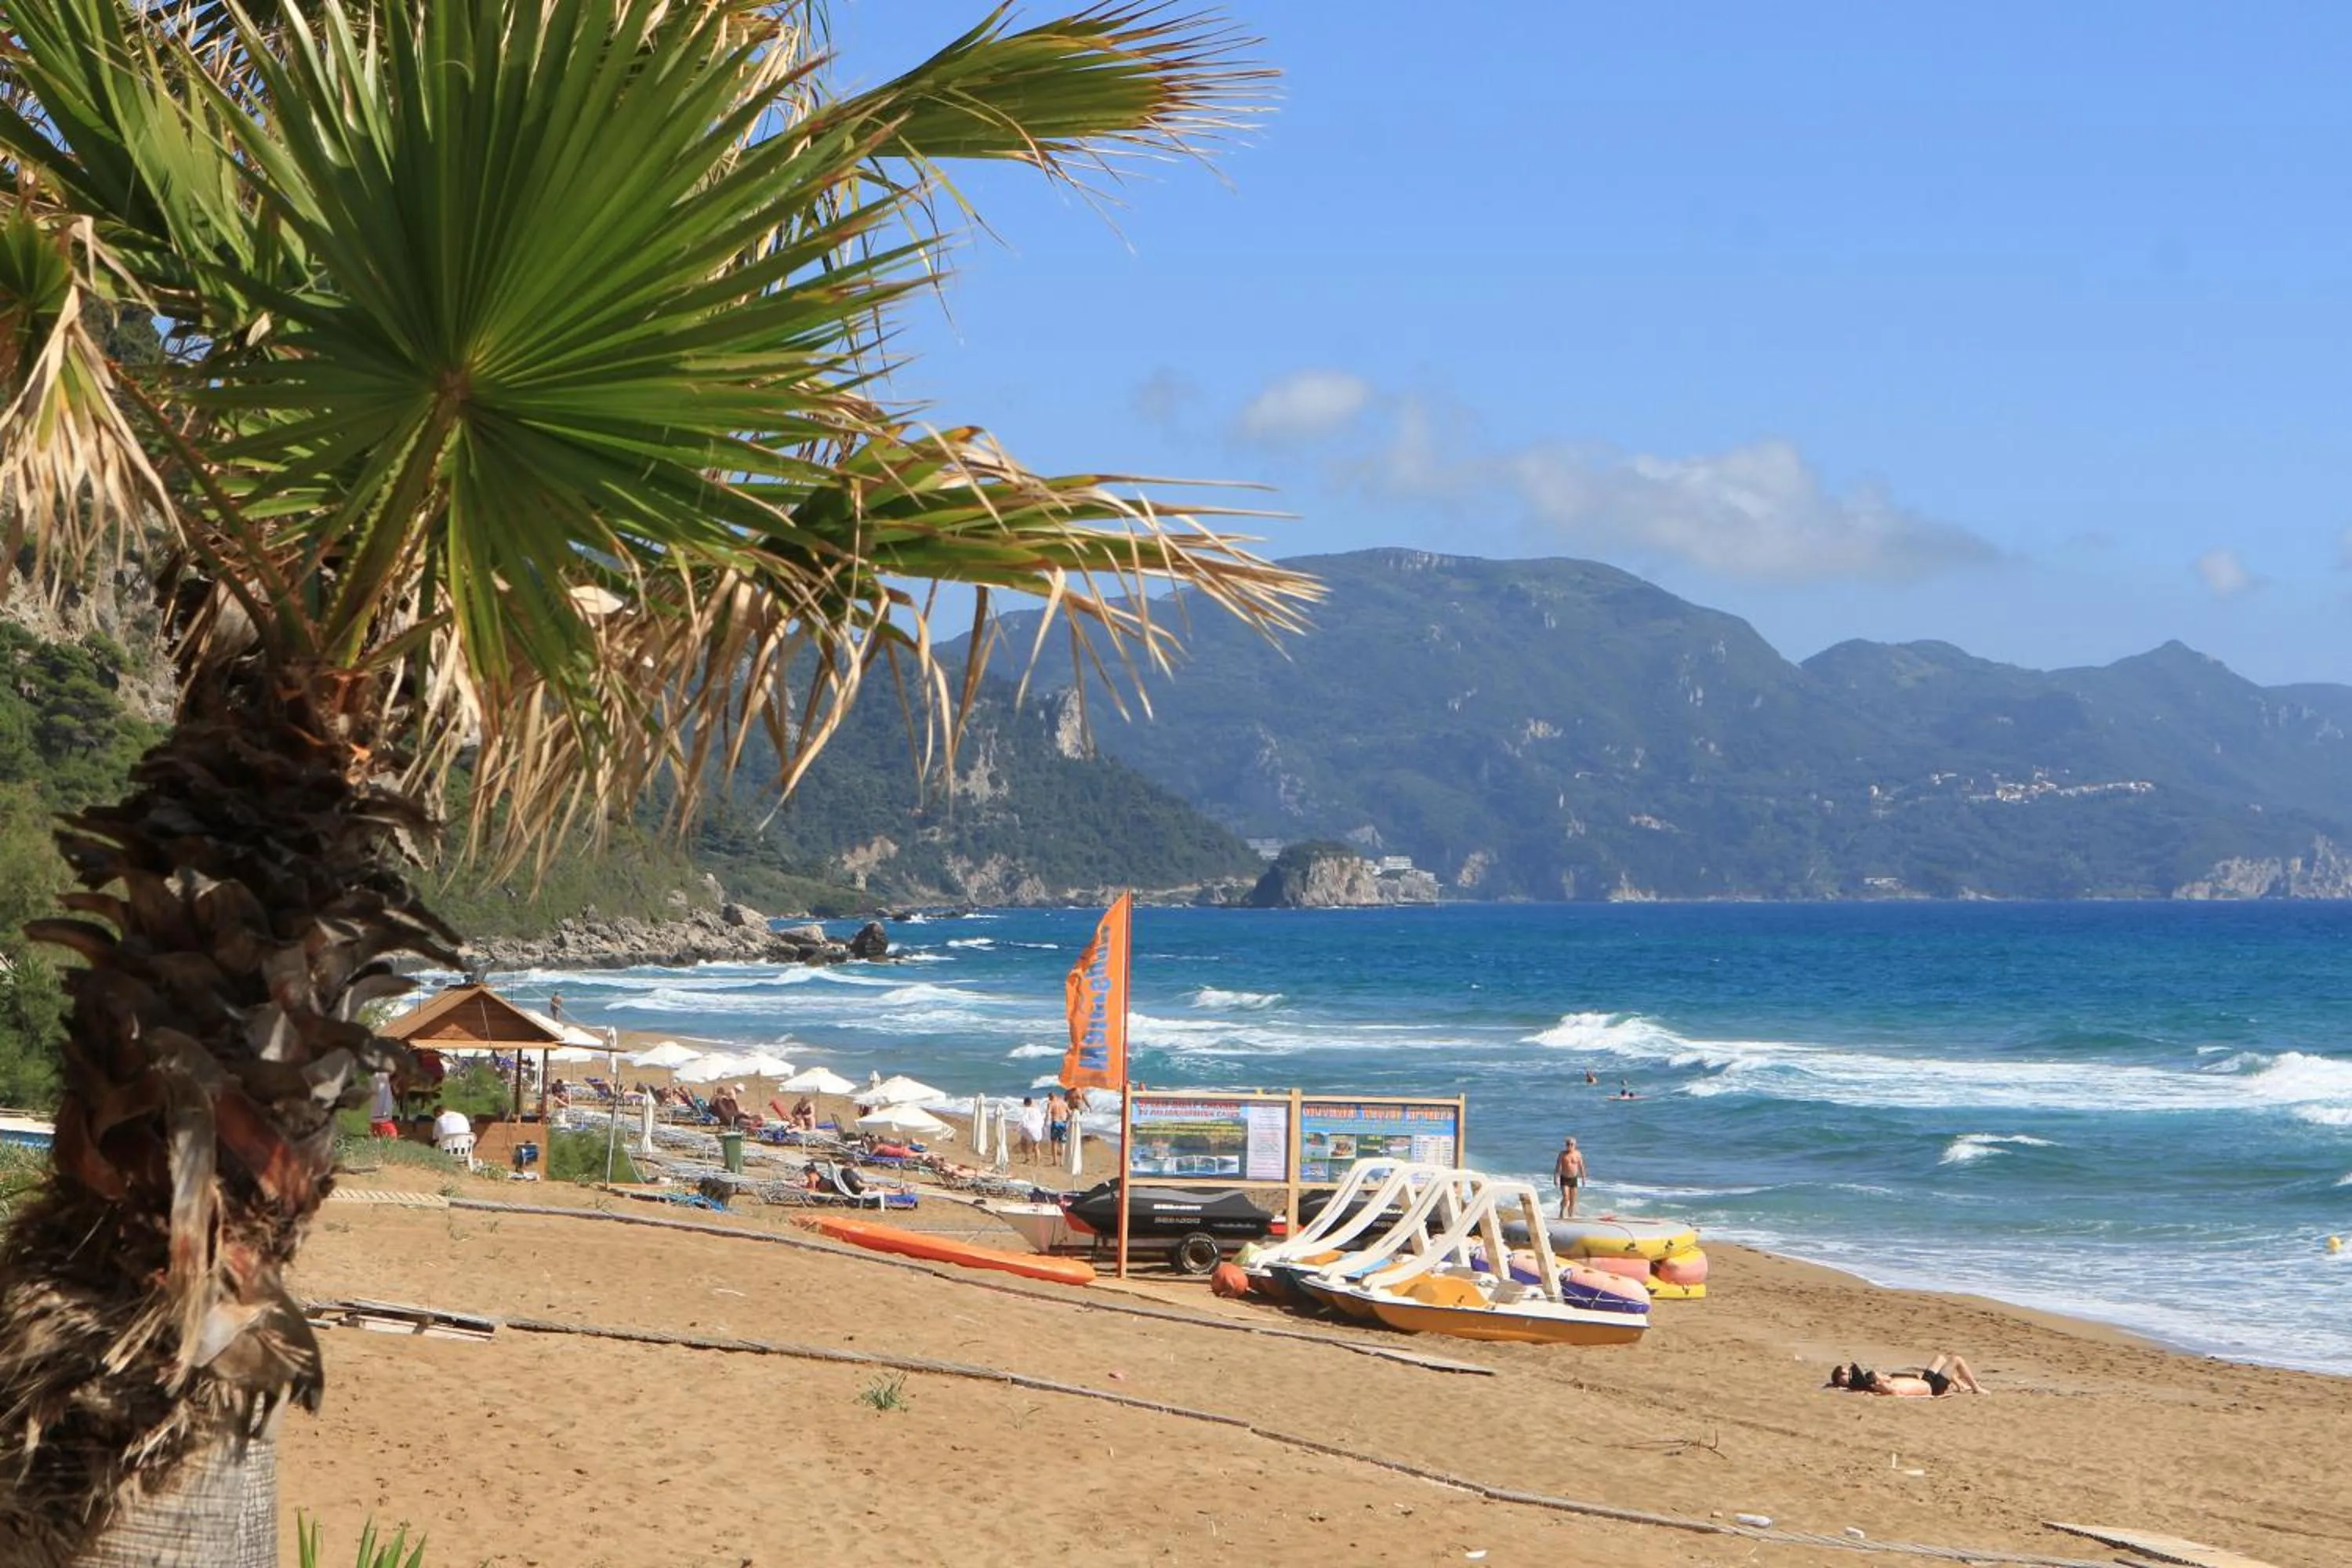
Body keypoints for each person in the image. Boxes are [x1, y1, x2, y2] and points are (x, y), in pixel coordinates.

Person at [1829, 1354, 1984, 1398]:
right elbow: (1894, 1392)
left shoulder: (1878, 1384)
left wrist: (1879, 1378)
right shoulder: (1882, 1387)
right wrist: (1880, 1381)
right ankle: (1976, 1389)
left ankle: (1960, 1385)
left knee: (1940, 1358)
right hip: (1933, 1387)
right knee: (1956, 1359)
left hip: (1925, 1381)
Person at [1553, 1135, 1587, 1218]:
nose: (1570, 1146)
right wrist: (1556, 1178)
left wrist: (1583, 1178)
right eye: (1568, 1144)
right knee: (1566, 1197)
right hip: (1564, 1178)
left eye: (1572, 1144)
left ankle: (1570, 1216)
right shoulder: (1562, 1154)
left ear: (1575, 1145)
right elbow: (1558, 1167)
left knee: (1573, 1201)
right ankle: (1561, 1212)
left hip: (1574, 1179)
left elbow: (1581, 1166)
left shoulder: (1578, 1154)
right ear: (1566, 1145)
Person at [1018, 1095, 1047, 1163]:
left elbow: (1023, 1120)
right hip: (1037, 1130)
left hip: (1029, 1129)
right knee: (1036, 1147)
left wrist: (1019, 1127)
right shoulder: (1037, 1110)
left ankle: (1027, 1157)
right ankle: (1037, 1162)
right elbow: (1041, 1120)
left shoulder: (1026, 1110)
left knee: (1023, 1143)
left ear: (1025, 1103)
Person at [1047, 1090, 1069, 1159]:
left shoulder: (1051, 1103)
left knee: (1054, 1142)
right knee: (1062, 1143)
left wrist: (1046, 1122)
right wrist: (1066, 1121)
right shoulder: (1064, 1103)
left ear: (1050, 1097)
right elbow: (1070, 1113)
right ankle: (1062, 1161)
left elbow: (1048, 1113)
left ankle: (1055, 1161)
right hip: (1063, 1123)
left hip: (1055, 1122)